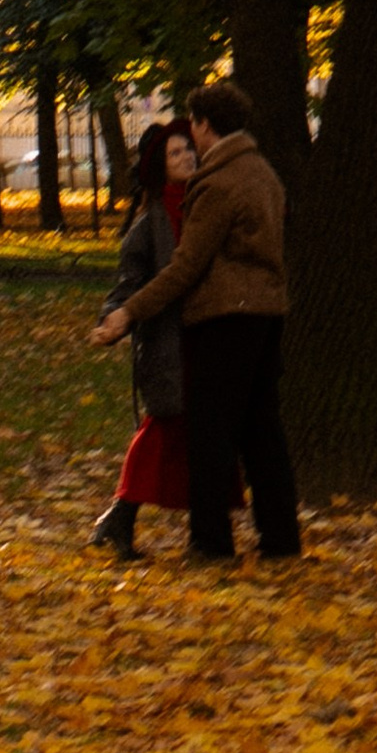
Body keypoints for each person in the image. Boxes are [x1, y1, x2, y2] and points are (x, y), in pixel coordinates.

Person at [90, 78, 299, 561]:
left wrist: (128, 312)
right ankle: (281, 539)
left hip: (225, 319)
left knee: (211, 433)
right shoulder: (263, 173)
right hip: (268, 314)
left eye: (195, 129)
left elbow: (186, 266)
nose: (192, 140)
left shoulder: (219, 183)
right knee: (263, 432)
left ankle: (211, 543)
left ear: (206, 125)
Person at [88, 123, 240, 559]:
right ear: (160, 168)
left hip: (209, 338)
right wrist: (113, 320)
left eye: (189, 149)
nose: (187, 157)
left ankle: (189, 529)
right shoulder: (147, 227)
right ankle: (123, 516)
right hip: (168, 346)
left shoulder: (207, 205)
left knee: (201, 433)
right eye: (176, 154)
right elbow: (128, 286)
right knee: (165, 428)